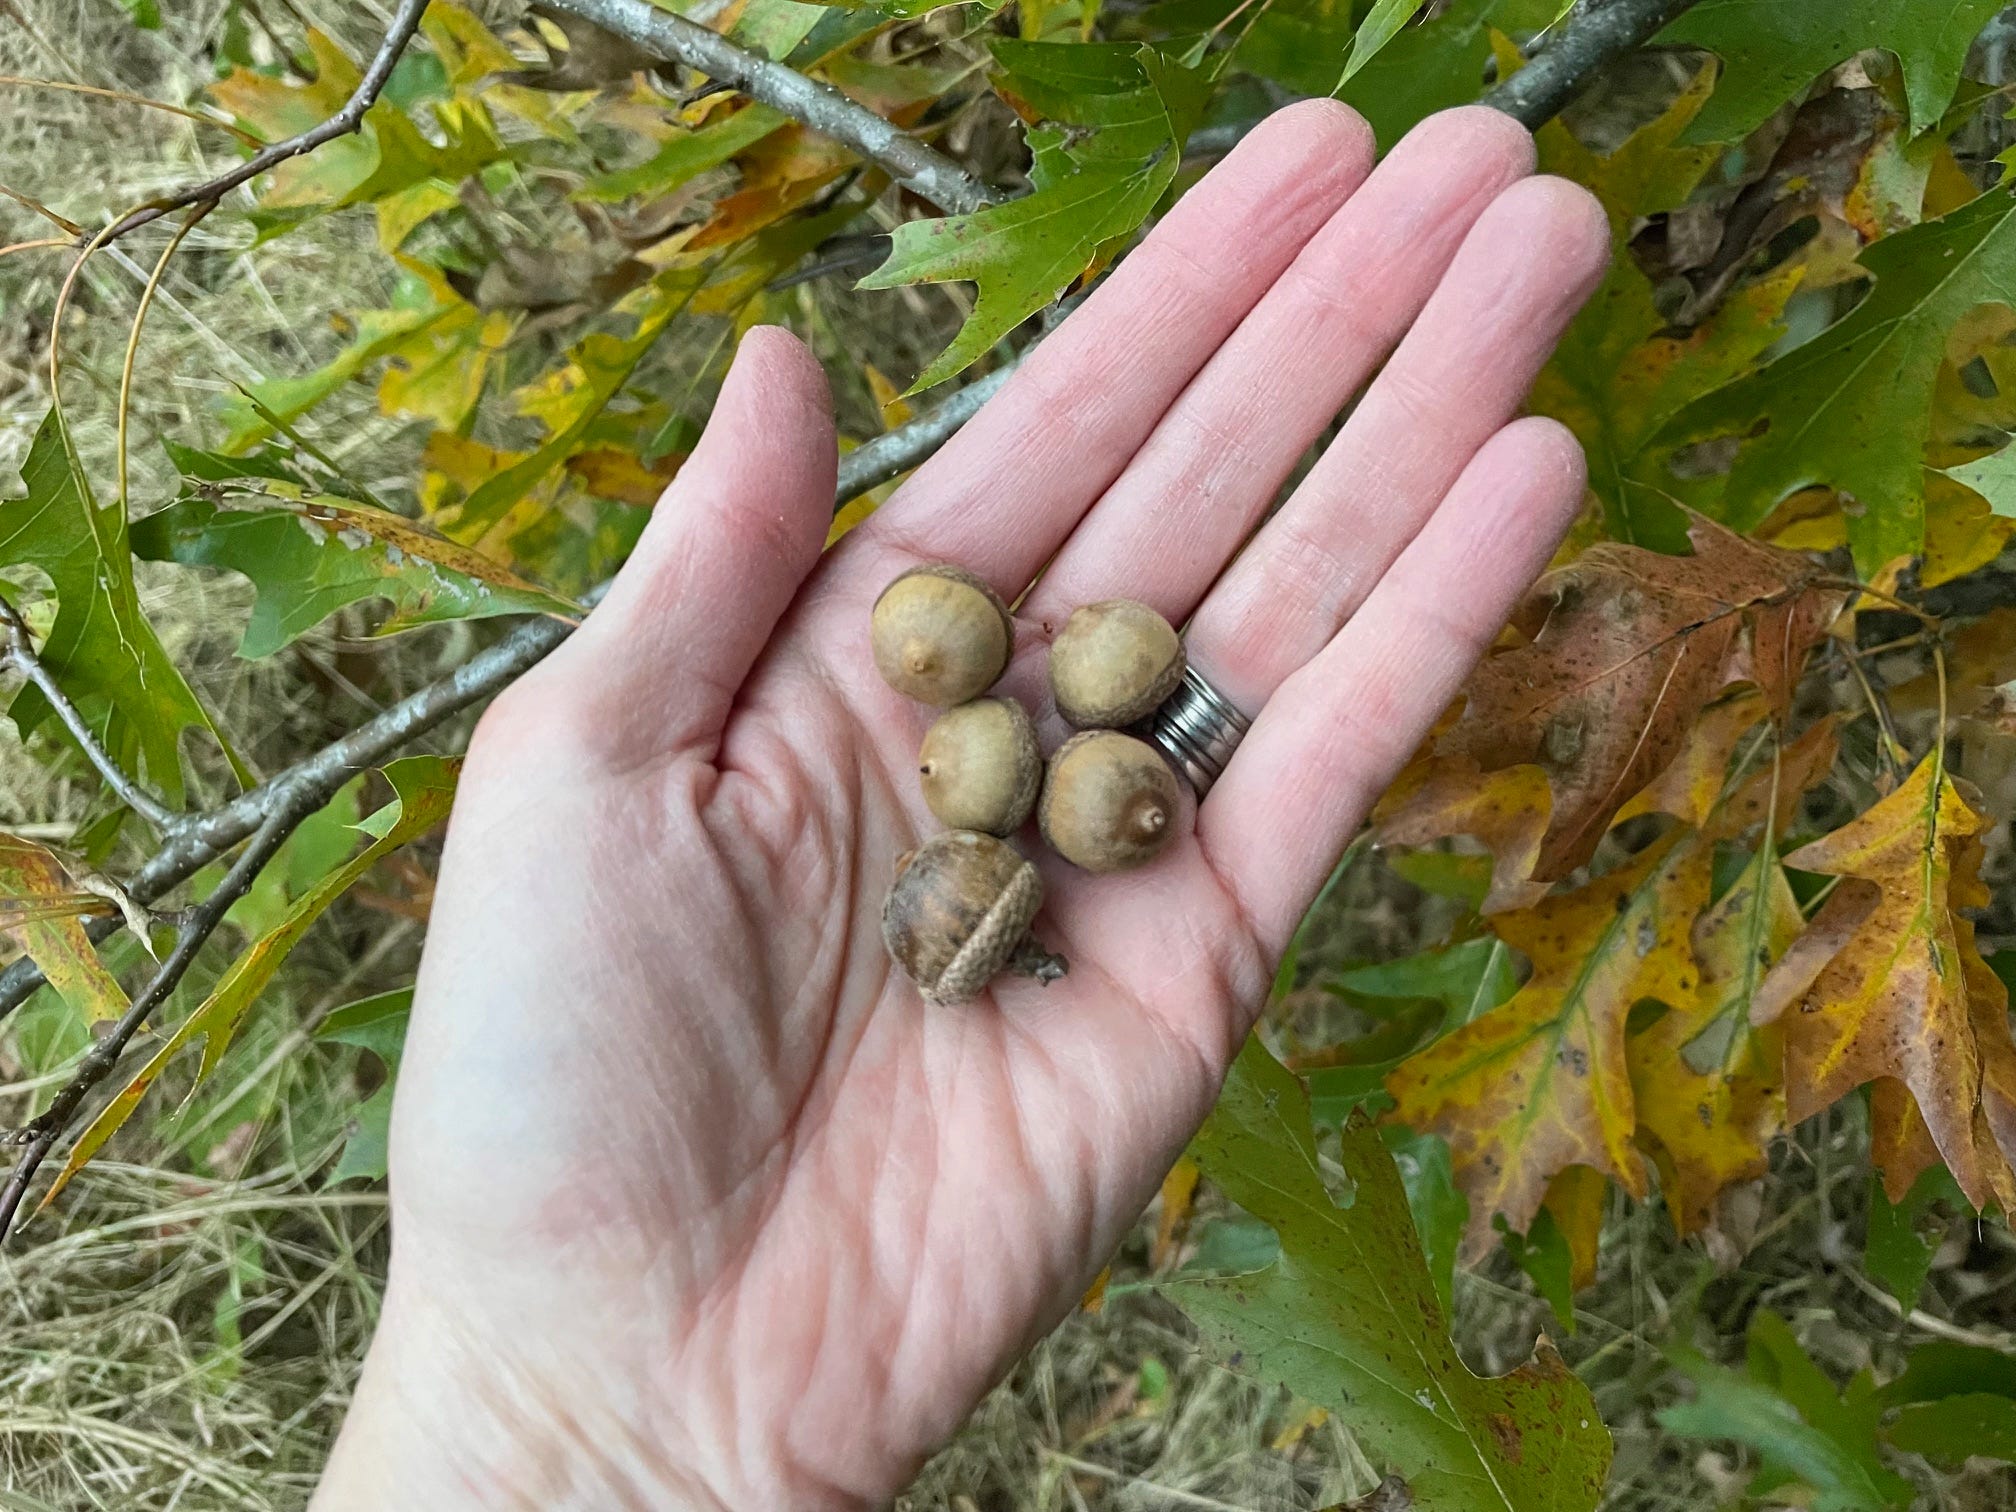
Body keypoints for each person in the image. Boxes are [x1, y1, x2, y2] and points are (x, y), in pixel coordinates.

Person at [311, 99, 1609, 1508]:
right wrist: (545, 1404)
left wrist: (546, 1425)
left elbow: (1083, 786)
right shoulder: (966, 762)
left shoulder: (1040, 759)